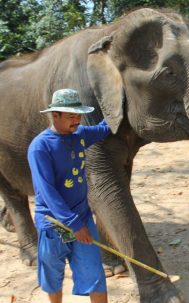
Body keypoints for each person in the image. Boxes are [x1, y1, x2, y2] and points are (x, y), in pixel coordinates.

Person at [27, 88, 111, 303]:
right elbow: (47, 191)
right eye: (71, 116)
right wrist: (73, 223)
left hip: (82, 219)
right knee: (53, 277)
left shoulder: (79, 135)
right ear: (55, 115)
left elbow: (105, 129)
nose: (77, 120)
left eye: (79, 115)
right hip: (54, 225)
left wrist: (118, 103)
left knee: (95, 275)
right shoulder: (40, 147)